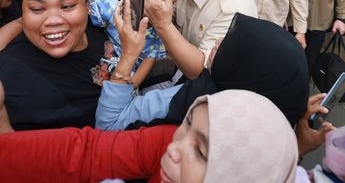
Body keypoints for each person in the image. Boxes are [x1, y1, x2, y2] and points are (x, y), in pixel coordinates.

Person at [0, 86, 299, 183]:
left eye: (202, 152)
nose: (174, 148)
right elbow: (86, 152)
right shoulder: (167, 140)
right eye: (187, 123)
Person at [96, 12, 309, 131]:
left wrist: (127, 57)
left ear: (247, 73)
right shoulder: (258, 128)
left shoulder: (190, 109)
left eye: (229, 46)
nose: (217, 42)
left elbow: (107, 128)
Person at [0, 0, 111, 131]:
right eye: (37, 9)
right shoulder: (10, 77)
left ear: (87, 4)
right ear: (22, 12)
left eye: (67, 6)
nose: (53, 20)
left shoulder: (101, 24)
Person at [89, 0, 180, 92]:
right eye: (164, 0)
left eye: (173, 3)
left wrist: (124, 91)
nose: (169, 8)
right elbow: (82, 12)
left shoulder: (158, 35)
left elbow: (143, 69)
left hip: (123, 83)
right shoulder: (114, 8)